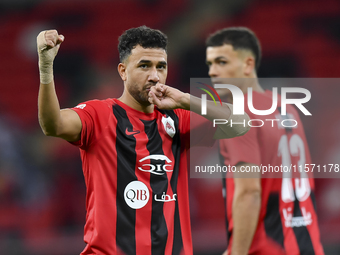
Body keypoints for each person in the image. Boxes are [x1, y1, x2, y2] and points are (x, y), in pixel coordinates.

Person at [37, 26, 249, 255]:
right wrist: (46, 68)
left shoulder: (178, 118)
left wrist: (187, 100)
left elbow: (241, 124)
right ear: (123, 71)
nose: (155, 76)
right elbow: (53, 125)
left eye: (161, 67)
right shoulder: (99, 115)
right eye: (144, 65)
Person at [205, 27, 325, 255]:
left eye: (221, 62)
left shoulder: (237, 115)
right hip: (308, 244)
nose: (213, 72)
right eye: (210, 64)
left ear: (248, 65)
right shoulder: (286, 107)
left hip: (267, 248)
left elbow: (249, 192)